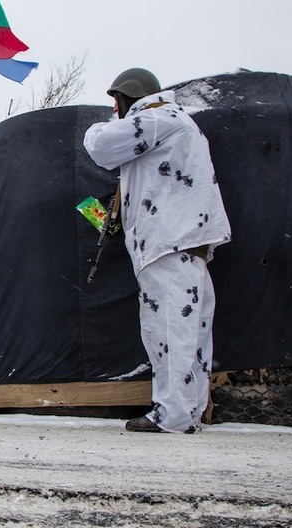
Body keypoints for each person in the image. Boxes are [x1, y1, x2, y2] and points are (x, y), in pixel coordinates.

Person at [83, 68, 232, 433]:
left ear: (128, 98)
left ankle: (172, 415)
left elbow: (99, 146)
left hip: (167, 245)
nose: (115, 111)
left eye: (116, 103)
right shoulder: (178, 125)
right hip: (186, 245)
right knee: (191, 336)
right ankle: (189, 411)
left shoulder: (156, 120)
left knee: (166, 332)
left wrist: (99, 125)